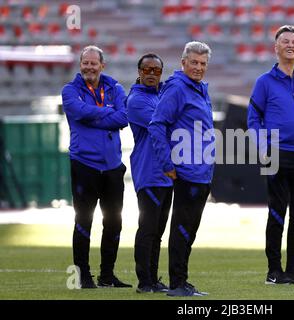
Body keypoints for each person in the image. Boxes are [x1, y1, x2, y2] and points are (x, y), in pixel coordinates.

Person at [247, 25, 294, 285]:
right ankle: (273, 271)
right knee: (277, 212)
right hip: (277, 153)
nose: (290, 45)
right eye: (285, 41)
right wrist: (262, 147)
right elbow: (253, 118)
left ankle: (292, 270)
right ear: (276, 47)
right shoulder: (264, 82)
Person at [61, 45, 131, 289]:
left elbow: (124, 117)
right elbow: (77, 112)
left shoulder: (116, 88)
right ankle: (83, 275)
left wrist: (94, 116)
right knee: (83, 221)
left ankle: (107, 275)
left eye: (94, 63)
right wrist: (106, 113)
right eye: (85, 63)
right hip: (84, 164)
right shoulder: (69, 90)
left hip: (112, 166)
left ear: (103, 65)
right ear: (80, 65)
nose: (89, 67)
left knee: (114, 222)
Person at [149, 41, 214, 297]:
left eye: (203, 64)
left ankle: (182, 281)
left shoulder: (199, 89)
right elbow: (157, 125)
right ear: (183, 62)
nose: (198, 68)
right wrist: (167, 164)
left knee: (190, 229)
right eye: (194, 63)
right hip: (186, 170)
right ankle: (177, 284)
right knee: (183, 228)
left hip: (201, 170)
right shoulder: (177, 88)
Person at [127, 53, 172, 293]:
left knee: (158, 231)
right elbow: (163, 126)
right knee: (148, 228)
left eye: (157, 70)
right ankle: (144, 281)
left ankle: (153, 279)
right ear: (139, 72)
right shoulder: (136, 100)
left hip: (167, 173)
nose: (152, 74)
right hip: (149, 171)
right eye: (148, 70)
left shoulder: (161, 95)